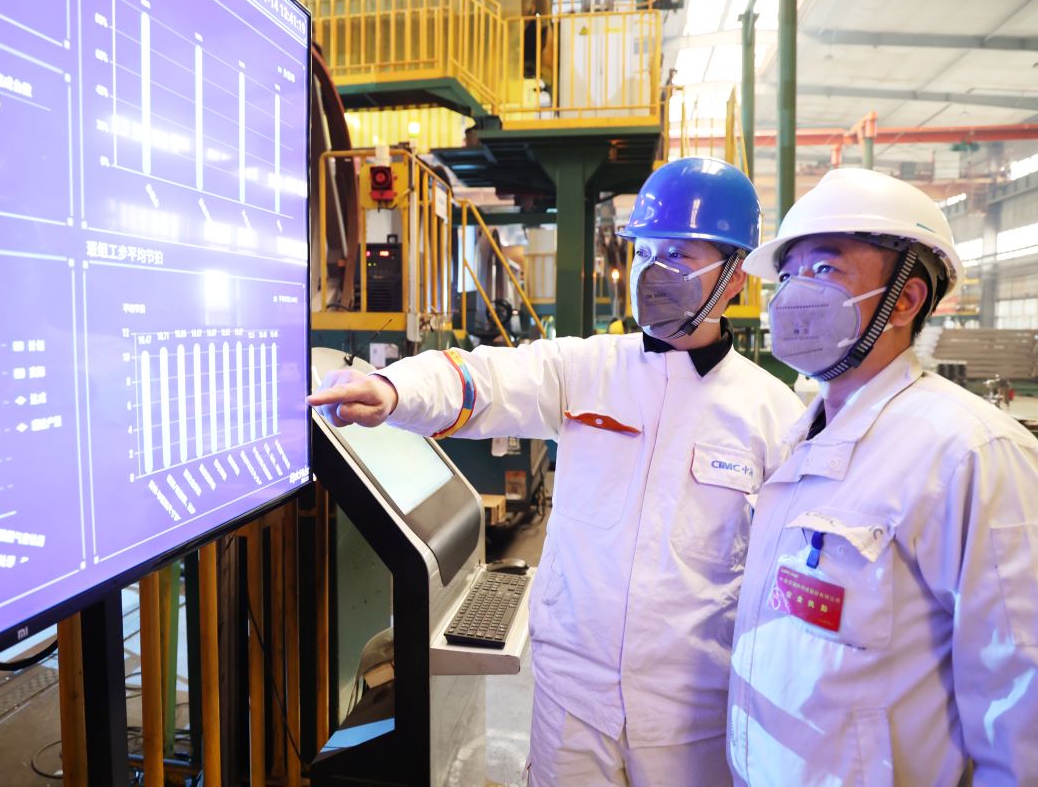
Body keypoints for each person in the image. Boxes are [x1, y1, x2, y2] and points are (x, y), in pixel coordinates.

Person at [308, 158, 804, 786]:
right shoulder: (588, 369)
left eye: (679, 254)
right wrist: (394, 388)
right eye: (645, 252)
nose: (654, 270)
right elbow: (484, 378)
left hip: (692, 717)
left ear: (735, 275)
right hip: (572, 700)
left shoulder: (773, 416)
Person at [728, 168, 1038, 785]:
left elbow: (1020, 697)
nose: (792, 294)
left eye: (824, 268)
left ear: (905, 299)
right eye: (787, 275)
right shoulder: (798, 439)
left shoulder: (970, 452)